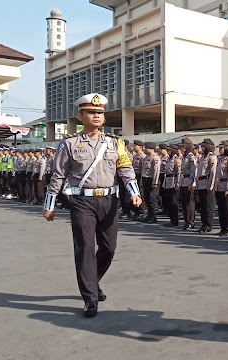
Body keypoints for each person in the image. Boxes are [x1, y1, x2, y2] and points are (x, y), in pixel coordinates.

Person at [42, 93, 142, 317]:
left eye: (100, 113)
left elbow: (126, 170)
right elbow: (58, 175)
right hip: (82, 201)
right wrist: (49, 205)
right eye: (91, 112)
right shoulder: (69, 144)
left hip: (109, 200)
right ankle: (90, 298)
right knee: (85, 248)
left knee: (109, 247)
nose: (96, 116)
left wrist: (134, 193)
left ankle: (93, 280)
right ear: (80, 116)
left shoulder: (115, 143)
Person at [196, 139, 217, 233]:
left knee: (208, 206)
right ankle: (203, 224)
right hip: (200, 183)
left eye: (204, 146)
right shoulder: (202, 157)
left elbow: (213, 172)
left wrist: (211, 185)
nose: (202, 148)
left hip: (207, 183)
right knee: (203, 206)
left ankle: (208, 225)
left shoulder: (211, 157)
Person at [215, 141, 228, 236]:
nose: (220, 150)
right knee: (221, 209)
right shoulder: (219, 159)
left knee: (227, 209)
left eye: (222, 148)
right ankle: (223, 228)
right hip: (219, 186)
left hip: (226, 185)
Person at [162, 144, 182, 227]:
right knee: (169, 201)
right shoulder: (168, 159)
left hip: (173, 182)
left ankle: (175, 220)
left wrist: (178, 183)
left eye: (170, 150)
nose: (168, 151)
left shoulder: (176, 160)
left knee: (174, 202)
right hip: (168, 182)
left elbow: (179, 172)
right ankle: (171, 219)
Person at [140, 142, 161, 223]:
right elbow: (144, 170)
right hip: (145, 179)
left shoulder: (155, 158)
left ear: (150, 148)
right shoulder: (146, 158)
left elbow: (156, 171)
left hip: (152, 180)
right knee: (147, 198)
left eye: (146, 148)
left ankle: (154, 216)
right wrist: (141, 181)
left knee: (153, 199)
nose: (145, 149)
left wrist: (155, 182)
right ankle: (149, 215)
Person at [179, 143, 198, 230]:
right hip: (183, 181)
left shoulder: (191, 157)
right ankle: (186, 221)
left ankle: (190, 222)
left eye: (183, 146)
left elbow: (194, 171)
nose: (181, 148)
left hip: (188, 181)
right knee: (183, 203)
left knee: (189, 203)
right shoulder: (183, 157)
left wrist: (192, 183)